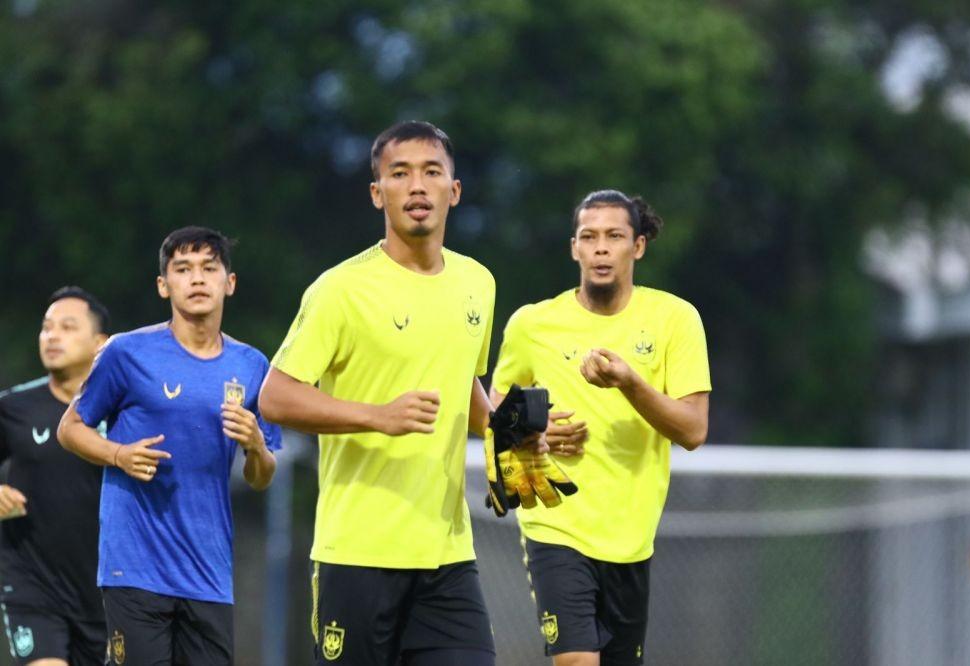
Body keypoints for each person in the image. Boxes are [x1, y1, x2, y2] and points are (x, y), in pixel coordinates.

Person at [260, 120, 510, 666]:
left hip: (447, 555)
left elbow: (461, 377)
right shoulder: (340, 290)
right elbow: (275, 397)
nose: (417, 186)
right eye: (400, 174)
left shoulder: (479, 283)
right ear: (378, 193)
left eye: (431, 172)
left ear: (455, 190)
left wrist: (506, 434)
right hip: (357, 553)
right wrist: (376, 416)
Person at [490, 190, 711, 666]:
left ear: (638, 247)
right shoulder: (532, 324)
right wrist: (536, 433)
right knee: (576, 660)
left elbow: (693, 430)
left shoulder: (675, 319)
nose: (601, 248)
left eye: (615, 236)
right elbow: (494, 417)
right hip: (555, 525)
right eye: (589, 237)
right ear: (574, 248)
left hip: (631, 537)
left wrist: (631, 383)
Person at [57, 227, 281, 666]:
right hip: (134, 569)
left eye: (209, 268)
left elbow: (262, 476)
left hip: (208, 573)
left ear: (228, 283)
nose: (197, 279)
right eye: (183, 269)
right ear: (164, 285)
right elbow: (71, 427)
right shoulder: (126, 353)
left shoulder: (252, 366)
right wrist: (119, 455)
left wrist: (256, 445)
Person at [0, 287, 110, 666]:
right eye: (46, 328)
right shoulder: (13, 408)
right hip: (32, 585)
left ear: (101, 343)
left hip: (106, 591)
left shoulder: (127, 413)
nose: (52, 336)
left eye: (67, 327)